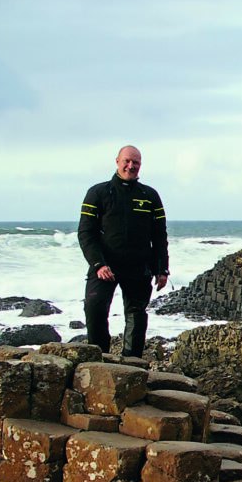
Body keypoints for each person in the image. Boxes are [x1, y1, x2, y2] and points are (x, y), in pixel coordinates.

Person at [78, 145, 169, 358]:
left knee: (136, 316)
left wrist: (162, 268)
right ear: (117, 161)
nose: (131, 166)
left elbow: (159, 235)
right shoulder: (97, 193)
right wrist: (98, 264)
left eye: (135, 162)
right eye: (127, 161)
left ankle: (132, 363)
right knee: (95, 308)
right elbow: (85, 233)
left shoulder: (150, 196)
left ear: (140, 165)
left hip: (138, 266)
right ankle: (99, 359)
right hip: (105, 265)